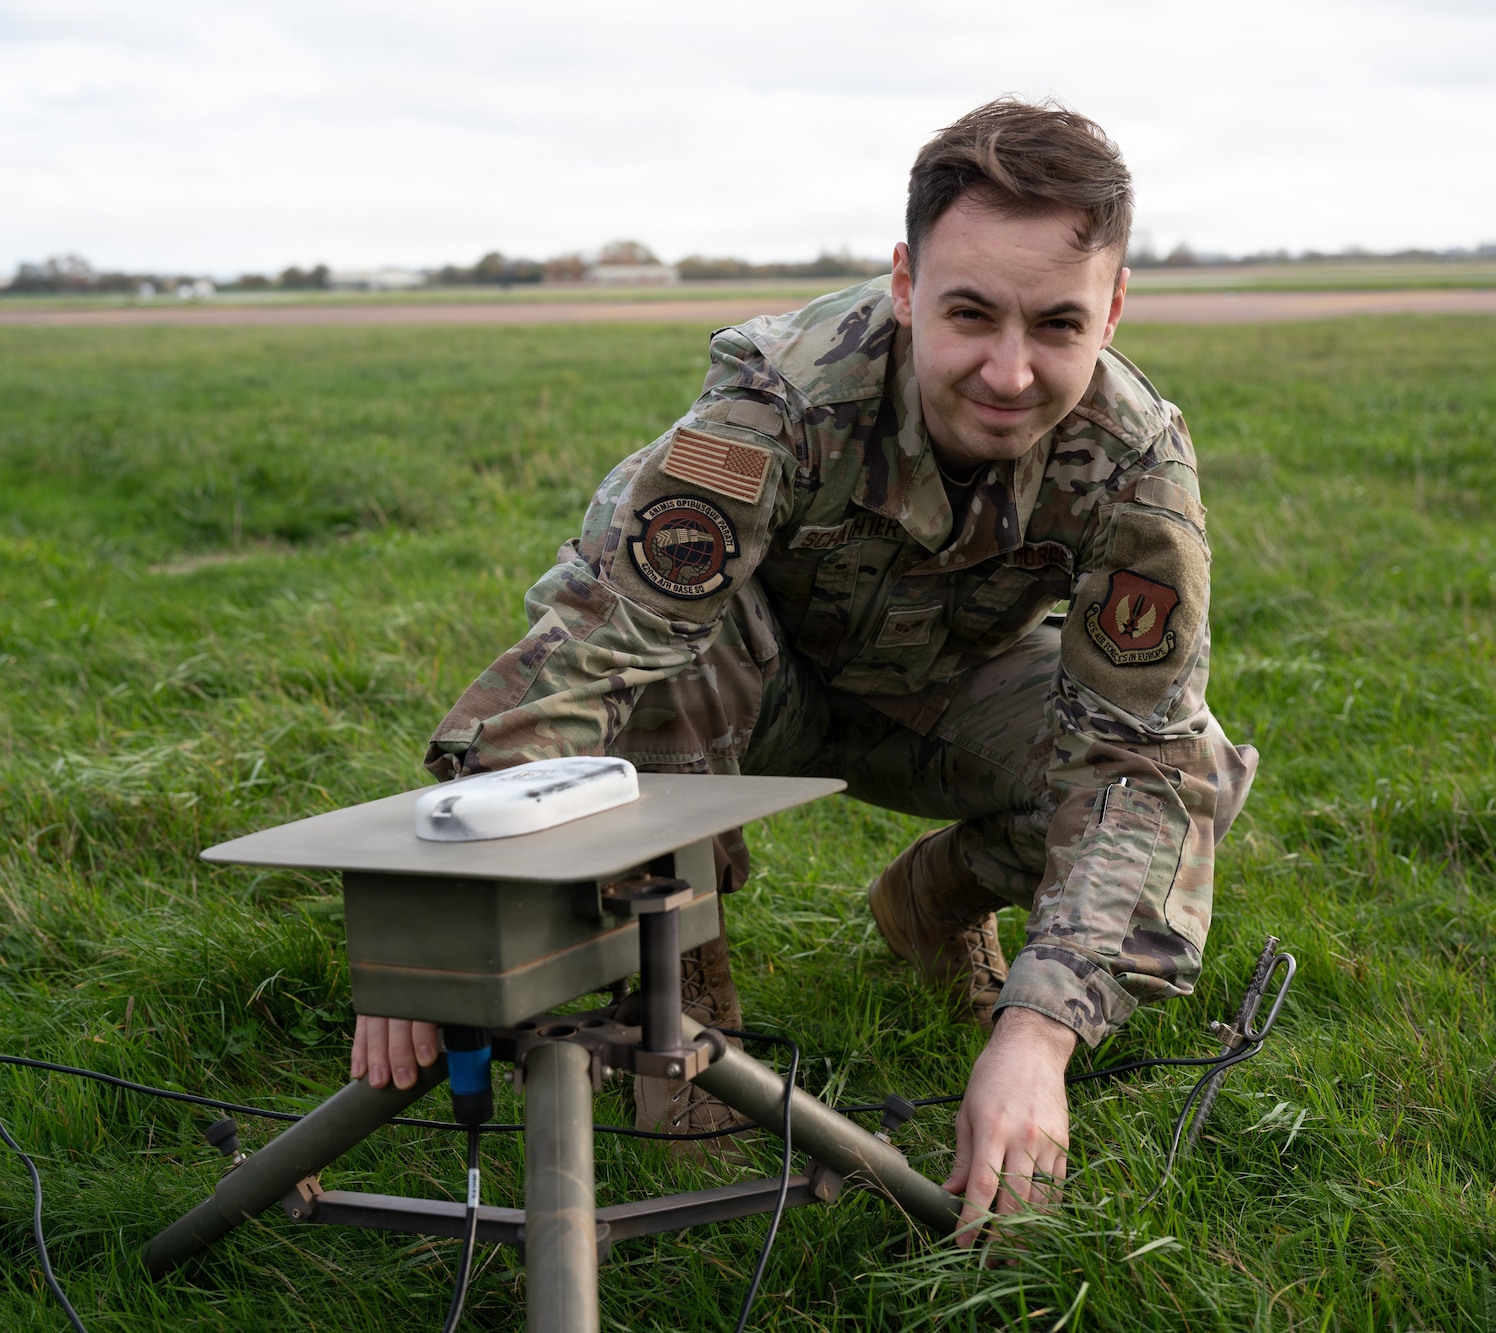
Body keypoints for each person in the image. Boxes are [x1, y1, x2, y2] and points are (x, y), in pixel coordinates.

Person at [351, 97, 1257, 1242]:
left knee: (1190, 775)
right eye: (969, 313)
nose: (1010, 371)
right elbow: (594, 649)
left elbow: (1135, 756)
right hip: (746, 692)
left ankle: (931, 903)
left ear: (1114, 310)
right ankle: (675, 987)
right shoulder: (777, 397)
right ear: (902, 283)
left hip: (945, 690)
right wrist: (435, 915)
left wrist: (1037, 1034)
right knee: (674, 656)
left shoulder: (1133, 458)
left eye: (1058, 326)